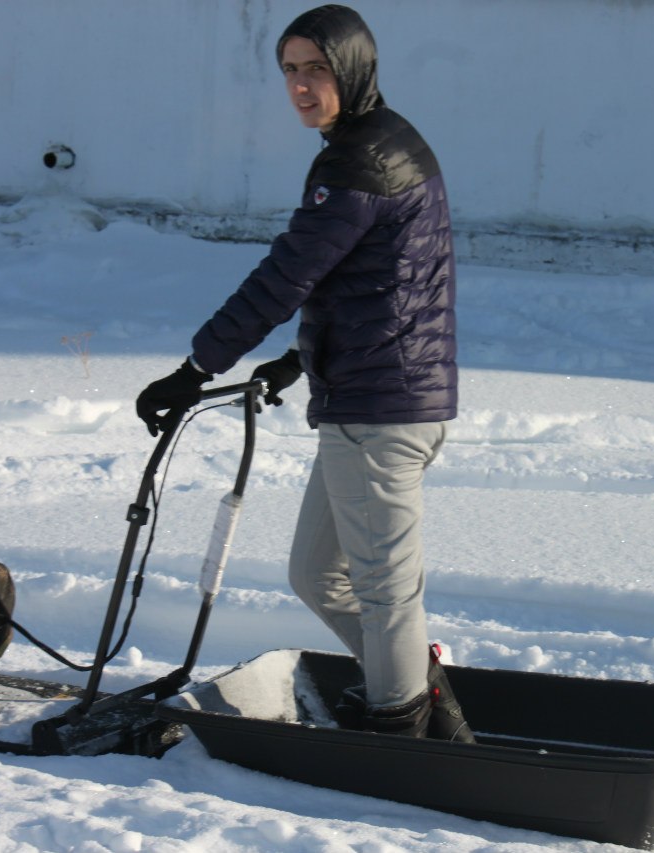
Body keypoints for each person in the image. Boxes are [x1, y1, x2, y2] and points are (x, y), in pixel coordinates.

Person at [136, 4, 471, 742]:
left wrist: (196, 368)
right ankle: (414, 681)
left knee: (384, 588)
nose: (300, 85)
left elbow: (287, 275)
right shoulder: (382, 142)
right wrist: (300, 355)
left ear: (353, 68)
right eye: (289, 70)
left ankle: (398, 726)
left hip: (381, 409)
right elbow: (377, 278)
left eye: (315, 69)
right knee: (317, 574)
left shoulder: (358, 160)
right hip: (370, 394)